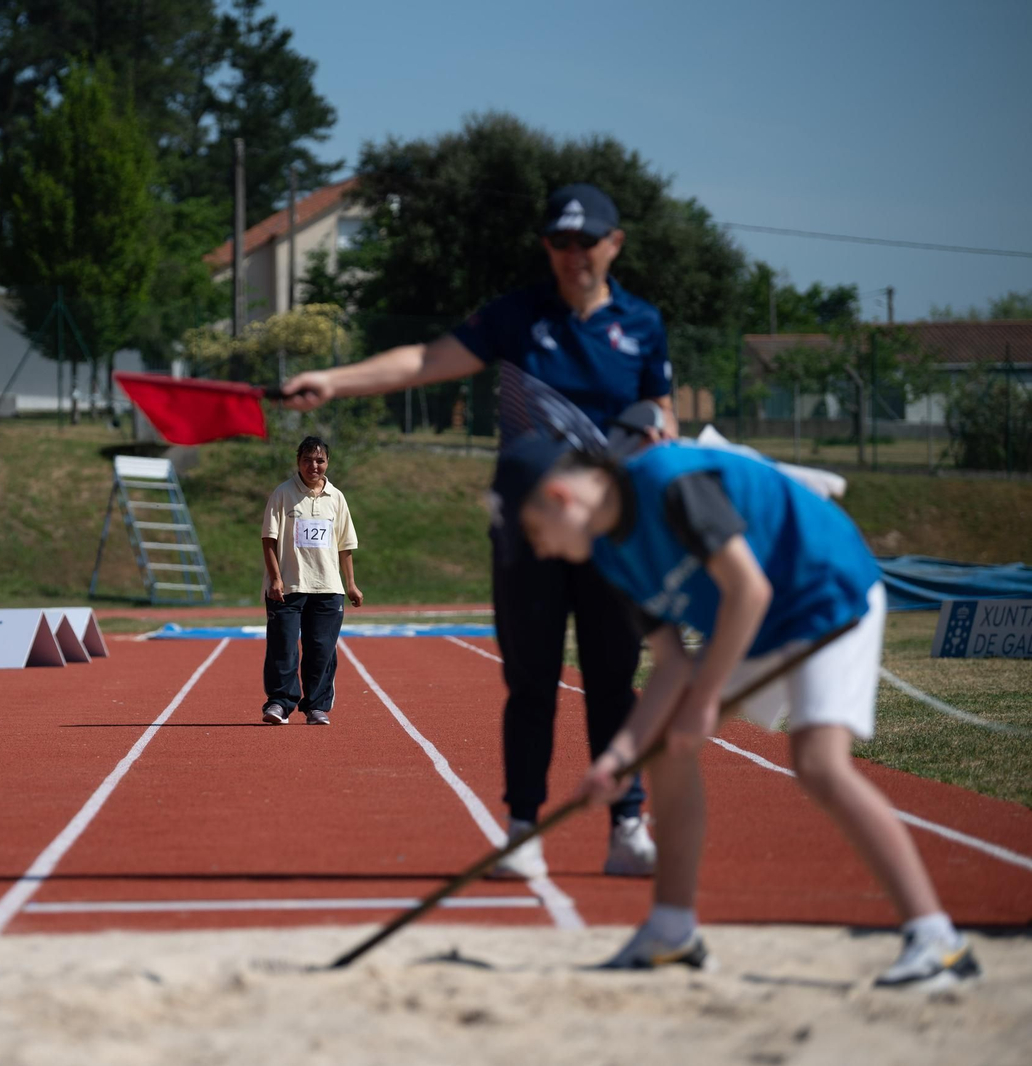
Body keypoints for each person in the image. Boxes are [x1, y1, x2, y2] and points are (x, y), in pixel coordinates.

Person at [494, 433, 980, 989]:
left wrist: (704, 702)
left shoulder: (666, 481)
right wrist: (618, 758)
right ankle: (672, 932)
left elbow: (748, 589)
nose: (542, 551)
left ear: (559, 496)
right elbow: (672, 666)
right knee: (666, 752)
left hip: (827, 593)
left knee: (819, 764)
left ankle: (937, 939)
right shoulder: (609, 553)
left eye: (534, 534)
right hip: (758, 624)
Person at [282, 183, 672, 876]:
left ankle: (628, 825)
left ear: (614, 244)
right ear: (546, 247)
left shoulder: (642, 325)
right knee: (532, 680)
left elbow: (661, 417)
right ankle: (523, 831)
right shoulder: (517, 317)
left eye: (587, 241)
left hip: (613, 535)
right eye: (560, 241)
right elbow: (426, 361)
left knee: (614, 680)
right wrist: (336, 381)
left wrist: (647, 457)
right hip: (527, 534)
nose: (573, 254)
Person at [260, 436, 364, 726]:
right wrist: (276, 579)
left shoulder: (337, 498)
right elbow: (269, 539)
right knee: (283, 647)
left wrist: (351, 584)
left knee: (321, 650)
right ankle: (279, 703)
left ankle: (316, 707)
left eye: (319, 460)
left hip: (328, 588)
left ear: (327, 463)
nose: (313, 466)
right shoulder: (282, 494)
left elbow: (345, 545)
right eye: (307, 460)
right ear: (298, 462)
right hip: (288, 588)